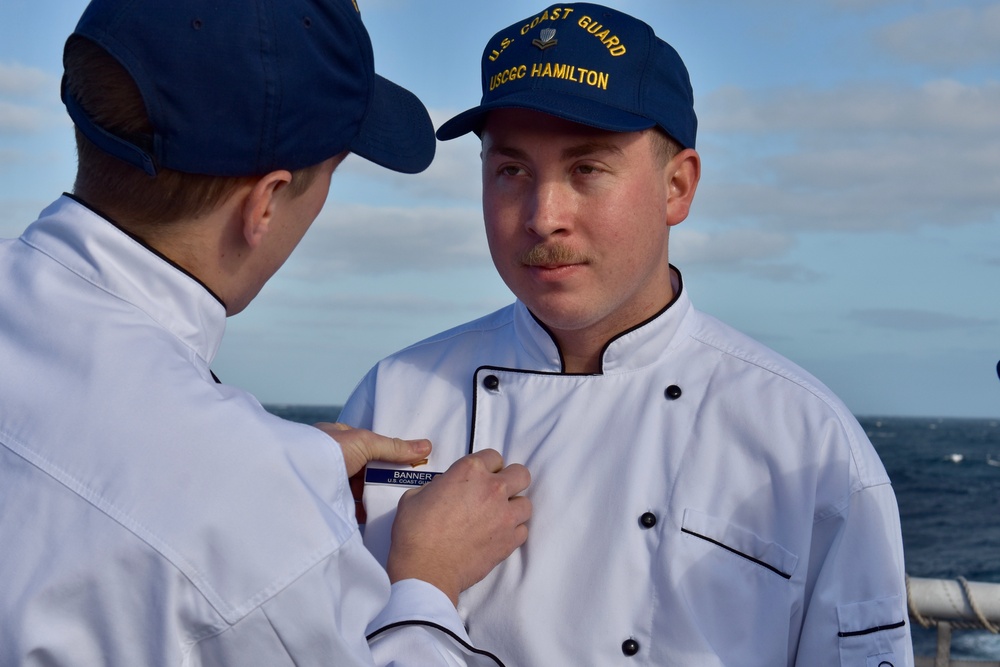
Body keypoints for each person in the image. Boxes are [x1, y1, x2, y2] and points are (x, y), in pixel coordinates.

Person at [339, 3, 913, 665]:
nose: (543, 217)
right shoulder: (395, 398)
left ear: (678, 185)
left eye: (587, 168)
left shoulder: (808, 441)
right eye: (511, 171)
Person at [0, 0, 531, 665]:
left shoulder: (245, 485)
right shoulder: (250, 516)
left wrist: (266, 462)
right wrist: (426, 581)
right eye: (328, 177)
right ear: (266, 201)